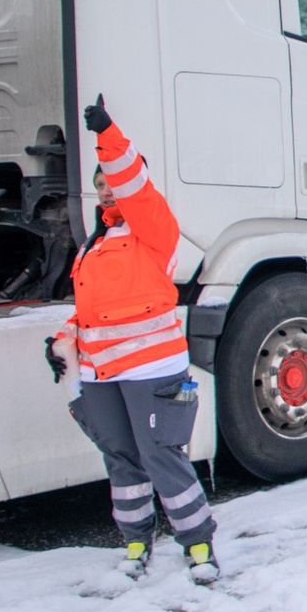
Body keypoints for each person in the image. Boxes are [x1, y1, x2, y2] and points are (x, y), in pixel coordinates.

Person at [44, 96, 219, 584]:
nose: (104, 193)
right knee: (120, 459)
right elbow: (91, 313)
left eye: (112, 184)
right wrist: (62, 342)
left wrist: (108, 135)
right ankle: (137, 540)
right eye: (98, 187)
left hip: (150, 371)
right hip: (101, 374)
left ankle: (199, 543)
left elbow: (133, 185)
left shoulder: (153, 230)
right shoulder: (93, 247)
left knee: (162, 457)